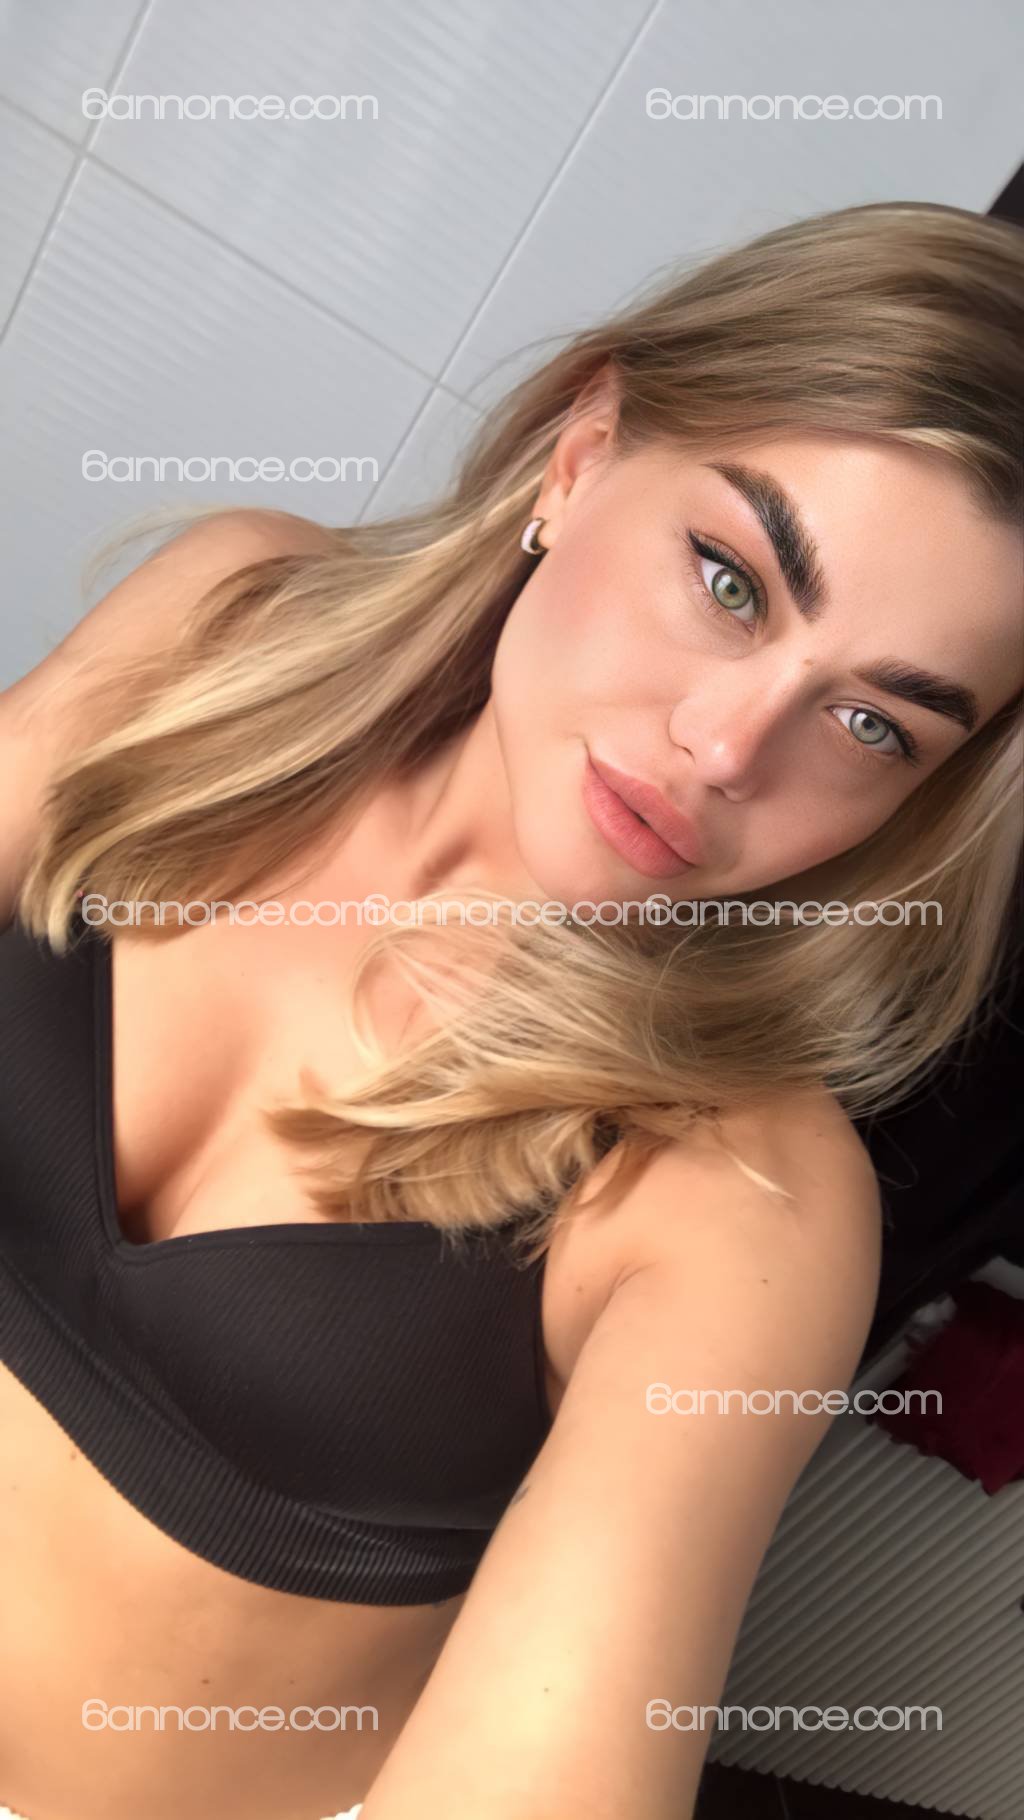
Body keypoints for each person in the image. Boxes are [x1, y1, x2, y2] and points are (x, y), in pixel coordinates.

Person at [0, 199, 1021, 1820]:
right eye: (732, 581)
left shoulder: (739, 1201)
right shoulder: (228, 625)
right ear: (582, 455)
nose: (725, 747)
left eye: (874, 725)